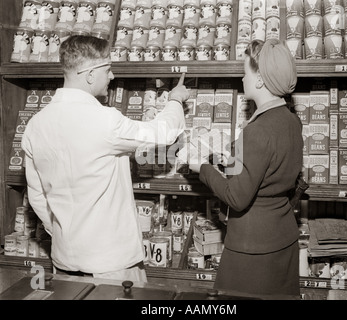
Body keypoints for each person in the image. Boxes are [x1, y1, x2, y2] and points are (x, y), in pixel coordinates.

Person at [21, 35, 189, 282]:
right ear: (90, 74)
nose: (111, 76)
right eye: (108, 69)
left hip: (64, 260)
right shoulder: (105, 120)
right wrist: (175, 100)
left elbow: (37, 196)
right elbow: (161, 133)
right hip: (111, 266)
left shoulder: (35, 125)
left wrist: (65, 233)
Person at [189, 38, 303, 297]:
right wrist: (226, 160)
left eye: (245, 73)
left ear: (260, 80)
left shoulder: (257, 130)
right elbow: (267, 171)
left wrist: (202, 169)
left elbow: (236, 198)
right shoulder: (291, 121)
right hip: (282, 239)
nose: (242, 80)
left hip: (252, 248)